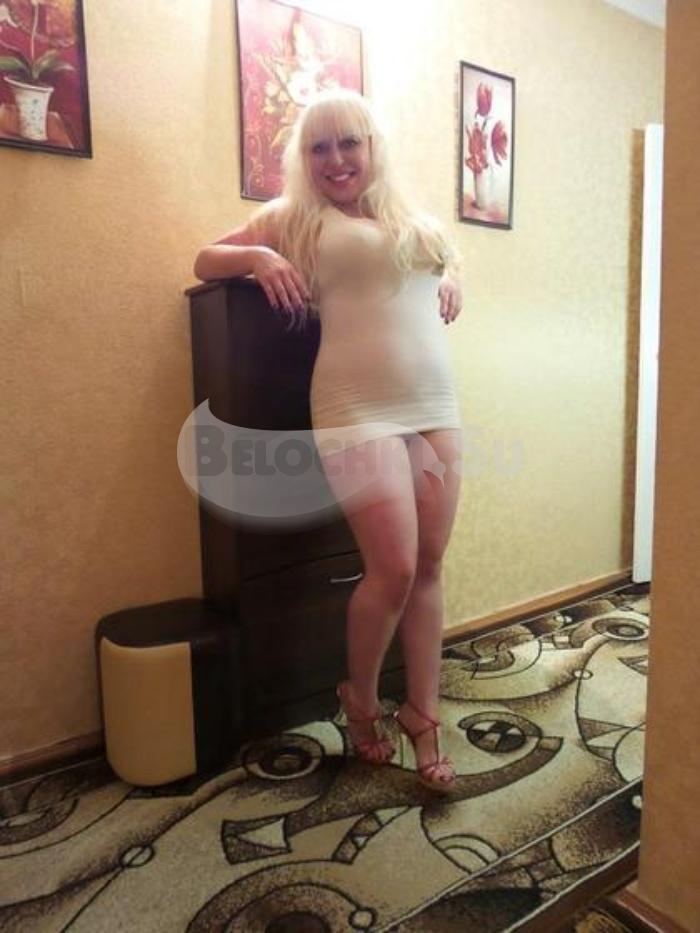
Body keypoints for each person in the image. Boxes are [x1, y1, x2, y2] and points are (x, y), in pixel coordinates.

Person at [194, 88, 463, 793]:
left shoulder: (411, 219)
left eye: (349, 143)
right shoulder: (296, 217)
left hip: (434, 403)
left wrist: (453, 276)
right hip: (355, 409)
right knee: (394, 568)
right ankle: (361, 700)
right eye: (319, 147)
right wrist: (258, 257)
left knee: (430, 566)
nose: (335, 159)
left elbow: (431, 272)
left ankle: (424, 714)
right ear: (303, 159)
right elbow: (203, 260)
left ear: (373, 148)